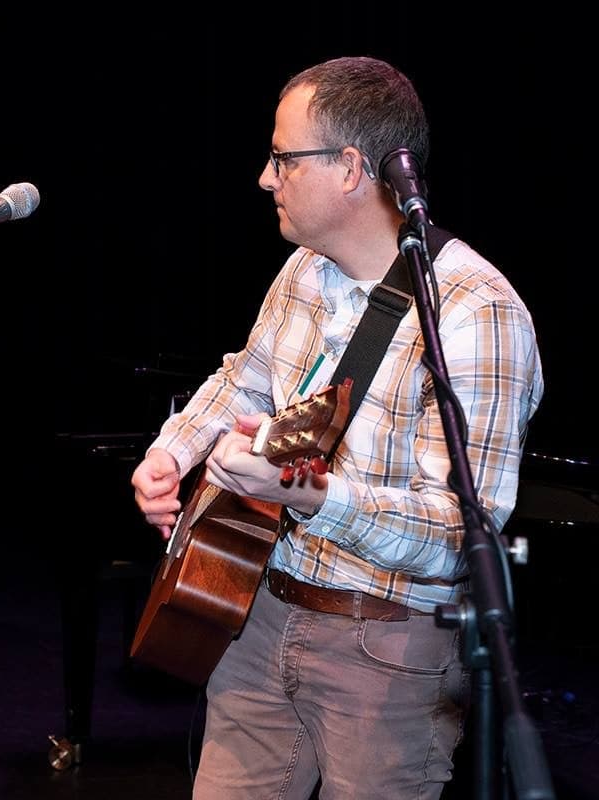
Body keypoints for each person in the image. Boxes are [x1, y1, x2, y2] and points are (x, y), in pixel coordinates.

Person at [131, 57, 543, 798]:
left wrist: (314, 498)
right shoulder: (303, 271)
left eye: (283, 157)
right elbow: (244, 375)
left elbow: (458, 533)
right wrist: (173, 450)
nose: (265, 176)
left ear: (351, 167)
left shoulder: (476, 313)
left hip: (386, 651)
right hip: (257, 612)